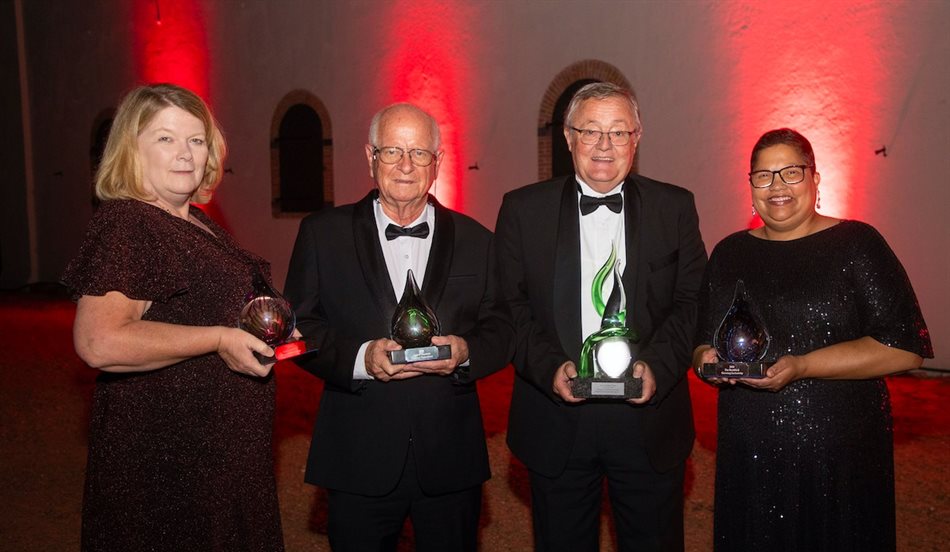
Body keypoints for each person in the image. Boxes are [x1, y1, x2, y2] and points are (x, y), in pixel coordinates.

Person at [61, 84, 285, 550]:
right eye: (165, 138)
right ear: (131, 147)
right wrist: (221, 339)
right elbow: (99, 341)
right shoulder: (129, 222)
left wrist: (266, 325)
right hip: (169, 464)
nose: (185, 154)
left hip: (212, 455)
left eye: (196, 140)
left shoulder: (191, 218)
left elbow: (201, 303)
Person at [283, 102, 512, 551]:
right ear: (370, 156)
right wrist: (361, 359)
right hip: (357, 453)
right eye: (392, 151)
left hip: (450, 457)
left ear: (438, 162)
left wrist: (467, 353)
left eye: (419, 153)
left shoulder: (478, 241)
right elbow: (301, 327)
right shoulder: (321, 234)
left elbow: (503, 328)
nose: (406, 165)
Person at [692, 128, 933, 551]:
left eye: (790, 172)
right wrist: (706, 363)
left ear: (816, 178)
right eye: (763, 175)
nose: (777, 186)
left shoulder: (857, 244)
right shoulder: (729, 253)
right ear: (750, 186)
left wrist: (803, 366)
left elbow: (903, 346)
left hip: (841, 452)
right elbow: (701, 342)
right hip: (751, 451)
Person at [495, 81, 707, 551]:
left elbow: (692, 301)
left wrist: (658, 366)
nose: (605, 146)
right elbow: (509, 307)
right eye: (590, 131)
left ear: (637, 137)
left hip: (649, 416)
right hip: (557, 416)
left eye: (618, 131)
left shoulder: (675, 207)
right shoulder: (521, 210)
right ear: (568, 138)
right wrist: (551, 367)